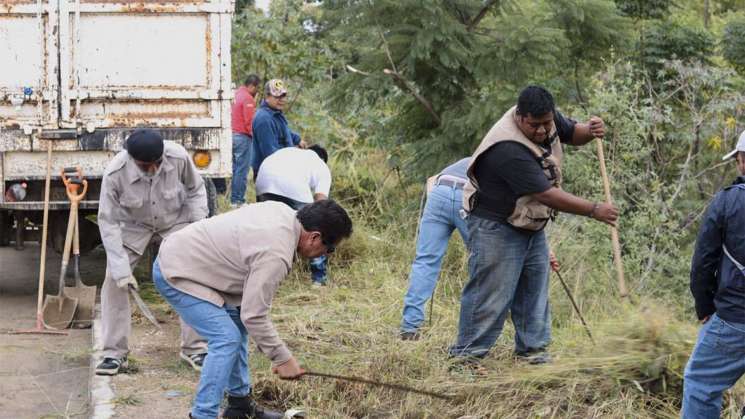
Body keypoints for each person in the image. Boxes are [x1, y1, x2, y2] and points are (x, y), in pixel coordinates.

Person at [448, 86, 619, 364]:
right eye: (534, 125)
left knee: (534, 289)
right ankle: (467, 357)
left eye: (546, 124)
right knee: (491, 294)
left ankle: (533, 353)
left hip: (529, 221)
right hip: (496, 225)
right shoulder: (507, 148)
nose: (542, 131)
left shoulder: (546, 116)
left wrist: (590, 130)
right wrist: (594, 209)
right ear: (519, 116)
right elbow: (546, 194)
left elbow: (572, 132)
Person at [153, 200, 353, 419]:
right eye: (330, 248)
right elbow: (254, 315)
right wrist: (282, 358)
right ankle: (203, 415)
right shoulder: (276, 253)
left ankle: (239, 406)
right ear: (314, 237)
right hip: (177, 269)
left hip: (195, 261)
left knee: (236, 326)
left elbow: (246, 312)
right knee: (226, 338)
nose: (327, 254)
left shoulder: (282, 211)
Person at [95, 129, 208, 375]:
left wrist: (198, 231)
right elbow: (108, 221)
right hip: (133, 226)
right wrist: (120, 268)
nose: (152, 169)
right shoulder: (115, 173)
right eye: (145, 165)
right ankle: (114, 354)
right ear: (132, 159)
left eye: (156, 163)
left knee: (193, 276)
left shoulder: (177, 157)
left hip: (174, 221)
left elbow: (196, 190)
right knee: (114, 281)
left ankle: (195, 349)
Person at [681, 130, 745, 418]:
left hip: (734, 320)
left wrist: (704, 307)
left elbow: (703, 263)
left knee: (701, 383)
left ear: (741, 160)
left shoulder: (727, 202)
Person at [399, 157, 471, 340]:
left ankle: (410, 327)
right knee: (482, 263)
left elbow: (431, 180)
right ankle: (472, 334)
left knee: (425, 261)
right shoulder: (500, 159)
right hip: (467, 195)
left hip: (439, 190)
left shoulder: (461, 162)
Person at [255, 145, 332, 286]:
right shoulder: (321, 166)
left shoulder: (290, 152)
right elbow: (322, 206)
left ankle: (264, 276)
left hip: (263, 182)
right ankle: (319, 279)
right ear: (323, 159)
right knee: (317, 227)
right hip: (291, 185)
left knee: (269, 231)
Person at [251, 79, 307, 176]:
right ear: (267, 96)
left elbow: (284, 131)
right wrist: (294, 155)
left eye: (283, 96)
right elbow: (270, 153)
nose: (281, 100)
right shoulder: (264, 119)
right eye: (277, 96)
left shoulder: (275, 113)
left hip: (280, 168)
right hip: (269, 173)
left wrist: (297, 140)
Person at [230, 74, 262, 207]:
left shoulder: (235, 94)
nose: (257, 91)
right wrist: (255, 136)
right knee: (241, 170)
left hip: (230, 135)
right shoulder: (248, 98)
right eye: (257, 88)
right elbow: (249, 122)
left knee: (234, 169)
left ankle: (231, 197)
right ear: (252, 86)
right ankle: (237, 200)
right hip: (242, 137)